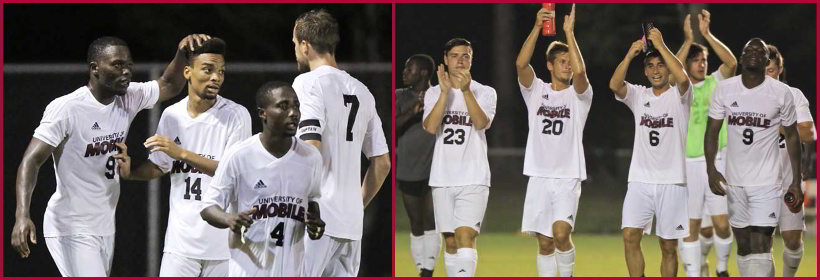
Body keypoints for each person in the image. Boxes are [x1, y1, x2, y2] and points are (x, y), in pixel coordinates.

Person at [10, 34, 210, 276]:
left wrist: (182, 53)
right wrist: (22, 215)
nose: (126, 71)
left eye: (129, 65)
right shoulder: (67, 108)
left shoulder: (128, 97)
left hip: (104, 224)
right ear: (95, 68)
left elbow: (170, 84)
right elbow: (31, 161)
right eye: (117, 65)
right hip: (71, 224)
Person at [113, 38, 252, 277]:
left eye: (221, 71)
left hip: (223, 246)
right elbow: (159, 166)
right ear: (188, 72)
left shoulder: (236, 115)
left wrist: (181, 153)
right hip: (180, 244)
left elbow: (233, 174)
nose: (216, 77)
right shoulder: (172, 115)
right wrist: (130, 173)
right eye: (208, 70)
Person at [291, 9, 391, 277]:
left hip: (316, 219)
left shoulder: (308, 83)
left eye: (295, 44)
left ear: (305, 45)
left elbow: (311, 146)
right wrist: (357, 205)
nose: (296, 51)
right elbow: (382, 163)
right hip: (351, 224)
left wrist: (304, 203)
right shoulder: (362, 91)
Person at [199, 82, 325, 276]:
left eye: (296, 106)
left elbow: (312, 200)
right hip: (248, 272)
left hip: (292, 272)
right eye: (283, 106)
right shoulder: (240, 155)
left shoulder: (311, 157)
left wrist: (315, 222)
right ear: (263, 113)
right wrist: (229, 219)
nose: (293, 112)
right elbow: (208, 207)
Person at [704, 38, 802, 277]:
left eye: (760, 51)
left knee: (761, 242)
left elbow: (792, 137)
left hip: (767, 182)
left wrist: (796, 181)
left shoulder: (781, 93)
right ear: (741, 57)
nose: (754, 53)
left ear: (767, 60)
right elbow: (712, 131)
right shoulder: (725, 89)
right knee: (745, 245)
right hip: (735, 181)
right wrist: (711, 170)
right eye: (749, 50)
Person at [514, 4, 590, 277]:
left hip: (567, 176)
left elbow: (580, 74)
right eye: (562, 61)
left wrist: (570, 34)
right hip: (539, 175)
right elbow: (521, 64)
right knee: (545, 243)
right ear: (549, 65)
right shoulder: (536, 91)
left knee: (561, 234)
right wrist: (537, 27)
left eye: (570, 61)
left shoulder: (580, 96)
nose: (568, 65)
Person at [608, 27, 691, 277]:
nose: (656, 70)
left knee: (668, 245)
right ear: (645, 71)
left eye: (661, 65)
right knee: (630, 235)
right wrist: (629, 56)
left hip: (672, 180)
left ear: (668, 69)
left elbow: (683, 79)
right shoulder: (639, 95)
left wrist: (661, 45)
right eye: (651, 66)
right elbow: (615, 85)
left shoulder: (680, 96)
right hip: (640, 180)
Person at [423, 37, 497, 277]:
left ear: (471, 60)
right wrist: (445, 93)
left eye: (466, 56)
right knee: (451, 241)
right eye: (454, 56)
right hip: (443, 177)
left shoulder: (485, 92)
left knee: (466, 235)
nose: (460, 61)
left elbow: (481, 122)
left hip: (474, 177)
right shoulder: (433, 92)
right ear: (445, 60)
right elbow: (431, 126)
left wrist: (465, 91)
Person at [673, 9, 736, 277]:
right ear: (686, 65)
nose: (702, 64)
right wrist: (688, 41)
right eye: (696, 61)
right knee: (691, 226)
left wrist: (707, 35)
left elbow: (731, 63)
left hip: (716, 161)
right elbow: (670, 73)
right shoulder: (681, 89)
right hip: (688, 164)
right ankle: (694, 273)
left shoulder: (715, 84)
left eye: (704, 60)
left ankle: (721, 269)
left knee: (721, 224)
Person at [764, 44, 815, 277]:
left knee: (793, 240)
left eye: (771, 70)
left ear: (780, 69)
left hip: (788, 179)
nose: (767, 76)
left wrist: (777, 125)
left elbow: (808, 133)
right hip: (757, 182)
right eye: (763, 71)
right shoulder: (744, 98)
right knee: (762, 244)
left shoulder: (793, 95)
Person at [397, 54, 439, 277]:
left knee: (431, 219)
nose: (404, 73)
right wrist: (413, 111)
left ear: (423, 72)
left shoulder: (439, 95)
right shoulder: (400, 96)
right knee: (416, 221)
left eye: (409, 69)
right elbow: (391, 127)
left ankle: (427, 271)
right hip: (408, 168)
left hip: (434, 169)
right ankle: (420, 266)